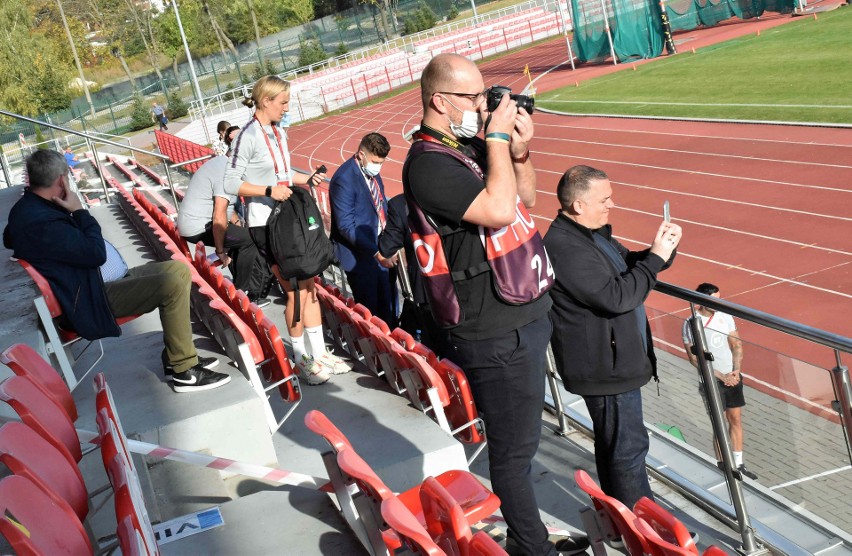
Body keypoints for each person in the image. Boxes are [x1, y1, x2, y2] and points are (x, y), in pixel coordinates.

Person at [403, 53, 588, 556]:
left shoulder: (463, 146)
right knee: (514, 452)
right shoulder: (426, 163)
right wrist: (498, 138)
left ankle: (533, 537)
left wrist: (519, 150)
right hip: (491, 329)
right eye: (473, 98)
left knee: (521, 443)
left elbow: (524, 197)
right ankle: (533, 548)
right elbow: (498, 208)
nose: (483, 107)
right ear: (440, 101)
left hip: (521, 313)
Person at [4, 150, 230, 393]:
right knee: (171, 285)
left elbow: (9, 237)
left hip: (93, 284)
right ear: (61, 181)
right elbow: (95, 253)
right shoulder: (42, 222)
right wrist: (79, 211)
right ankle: (185, 371)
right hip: (90, 299)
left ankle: (176, 354)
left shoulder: (29, 208)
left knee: (179, 269)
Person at [544, 165, 682, 512]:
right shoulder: (566, 247)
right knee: (628, 448)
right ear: (578, 205)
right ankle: (644, 528)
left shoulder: (591, 234)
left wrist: (660, 251)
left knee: (614, 444)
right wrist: (654, 261)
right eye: (604, 199)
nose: (612, 204)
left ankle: (620, 522)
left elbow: (631, 265)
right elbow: (616, 297)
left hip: (608, 363)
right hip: (605, 369)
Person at [223, 75, 348, 384]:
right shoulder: (247, 136)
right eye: (283, 102)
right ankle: (301, 359)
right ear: (265, 101)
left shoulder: (279, 133)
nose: (286, 108)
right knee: (294, 291)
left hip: (288, 217)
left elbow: (283, 173)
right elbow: (230, 182)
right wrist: (267, 190)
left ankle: (318, 352)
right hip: (265, 224)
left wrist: (306, 179)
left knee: (311, 287)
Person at [176, 126, 269, 307]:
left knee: (240, 237)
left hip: (195, 222)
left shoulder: (220, 163)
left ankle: (241, 288)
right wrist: (220, 251)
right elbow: (219, 216)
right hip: (199, 225)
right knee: (249, 240)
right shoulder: (225, 171)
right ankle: (242, 296)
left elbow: (225, 208)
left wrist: (235, 221)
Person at [682, 282, 758, 480]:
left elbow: (736, 344)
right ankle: (724, 465)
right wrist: (720, 376)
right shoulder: (691, 322)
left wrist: (736, 371)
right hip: (711, 380)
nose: (717, 303)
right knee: (718, 424)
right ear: (701, 300)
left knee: (735, 419)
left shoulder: (726, 317)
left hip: (732, 377)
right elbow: (694, 358)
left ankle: (739, 464)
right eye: (712, 300)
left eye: (718, 299)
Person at [329, 133, 398, 325]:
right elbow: (346, 226)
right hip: (360, 255)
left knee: (389, 303)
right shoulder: (344, 179)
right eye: (375, 161)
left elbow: (381, 204)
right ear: (361, 154)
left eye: (381, 162)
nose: (378, 166)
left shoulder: (371, 173)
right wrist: (376, 253)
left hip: (380, 248)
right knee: (372, 312)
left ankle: (394, 342)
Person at [377, 194, 447, 356]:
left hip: (425, 288)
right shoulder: (453, 194)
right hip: (455, 285)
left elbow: (387, 246)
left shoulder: (400, 204)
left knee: (434, 344)